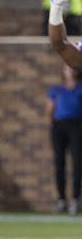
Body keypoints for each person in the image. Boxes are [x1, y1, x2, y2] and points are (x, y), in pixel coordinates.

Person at [43, 57, 82, 214]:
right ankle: (61, 200)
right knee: (59, 163)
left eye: (72, 67)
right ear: (63, 70)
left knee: (77, 163)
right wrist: (52, 127)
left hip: (76, 126)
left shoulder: (80, 88)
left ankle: (75, 200)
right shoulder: (56, 90)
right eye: (67, 67)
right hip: (59, 127)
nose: (69, 70)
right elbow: (49, 111)